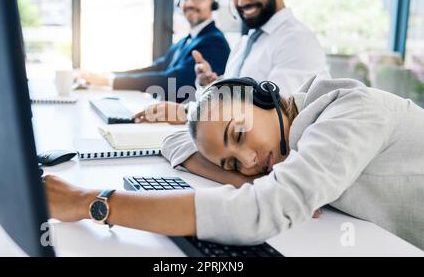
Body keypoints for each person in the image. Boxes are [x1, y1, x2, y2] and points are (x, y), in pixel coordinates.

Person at [44, 74, 424, 249]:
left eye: (239, 134)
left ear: (266, 96)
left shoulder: (353, 112)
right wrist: (246, 181)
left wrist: (90, 203)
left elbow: (258, 215)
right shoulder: (287, 139)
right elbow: (176, 140)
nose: (248, 161)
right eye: (230, 164)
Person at [134, 0, 326, 123]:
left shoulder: (298, 41)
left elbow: (274, 114)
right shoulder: (246, 43)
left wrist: (186, 112)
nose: (242, 1)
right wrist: (210, 84)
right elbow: (233, 101)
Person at [78, 0, 230, 102]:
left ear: (213, 3)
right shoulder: (185, 41)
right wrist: (109, 76)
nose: (189, 3)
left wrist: (109, 81)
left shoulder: (214, 42)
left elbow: (172, 82)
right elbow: (157, 67)